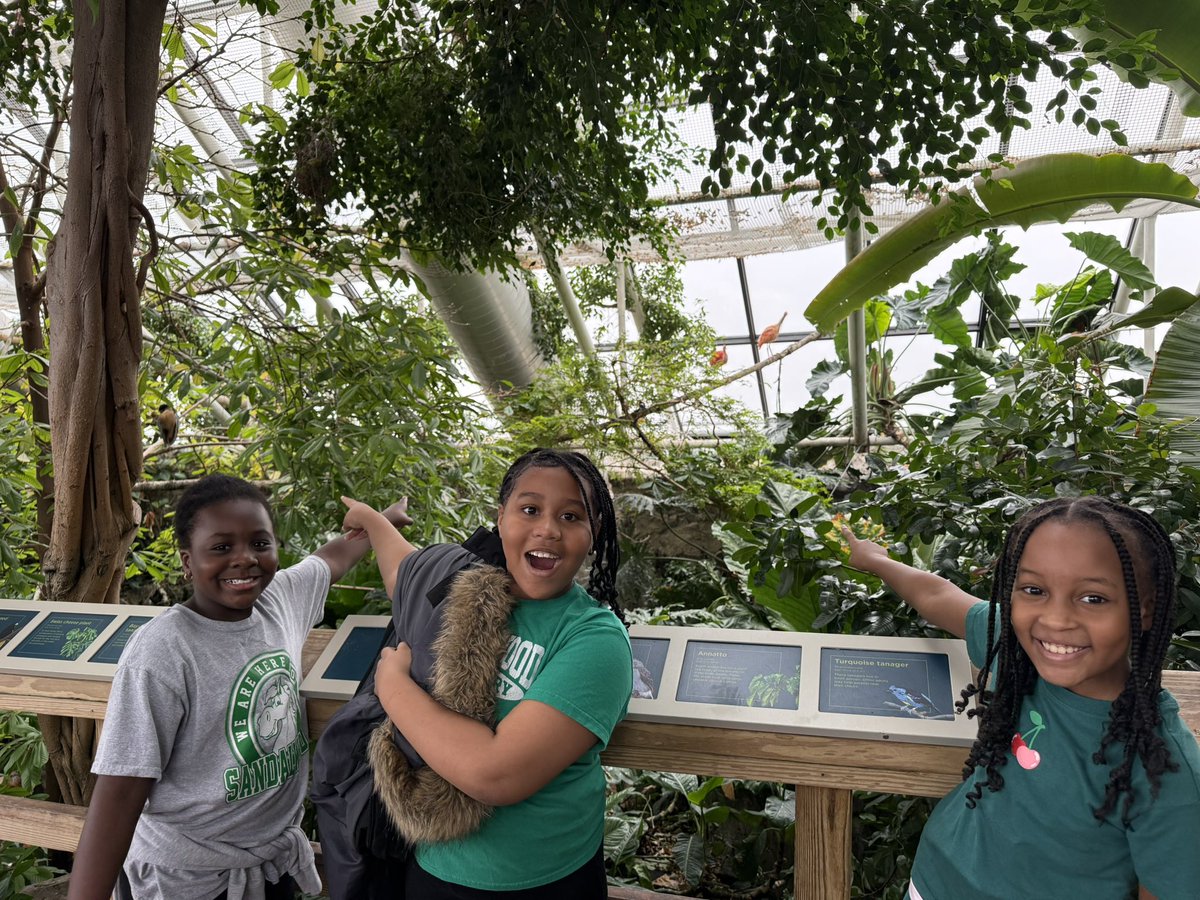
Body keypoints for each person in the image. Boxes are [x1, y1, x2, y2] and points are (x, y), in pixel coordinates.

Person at [68, 475, 410, 900]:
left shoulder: (279, 600)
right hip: (189, 878)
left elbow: (330, 559)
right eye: (222, 547)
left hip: (271, 865)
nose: (245, 559)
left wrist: (381, 524)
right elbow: (119, 794)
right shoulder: (163, 652)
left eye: (260, 544)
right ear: (187, 561)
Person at [842, 496, 1200, 900]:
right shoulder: (1018, 651)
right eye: (1034, 590)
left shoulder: (1165, 770)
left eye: (1093, 598)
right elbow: (938, 597)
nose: (1055, 620)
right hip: (932, 883)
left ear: (1145, 608)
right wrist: (875, 560)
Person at [340, 447, 633, 898]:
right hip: (434, 866)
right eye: (530, 509)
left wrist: (393, 686)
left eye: (572, 517)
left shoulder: (595, 640)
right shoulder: (463, 589)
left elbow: (497, 775)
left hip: (545, 879)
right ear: (501, 518)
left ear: (594, 534)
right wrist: (374, 521)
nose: (548, 528)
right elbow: (405, 574)